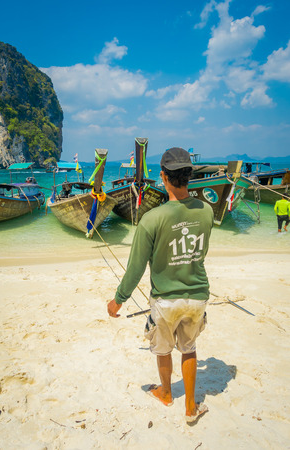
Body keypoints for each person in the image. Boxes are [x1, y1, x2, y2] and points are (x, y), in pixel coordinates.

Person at [107, 147, 214, 425]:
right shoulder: (206, 211)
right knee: (189, 348)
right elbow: (199, 253)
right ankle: (190, 407)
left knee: (163, 349)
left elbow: (136, 267)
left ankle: (166, 393)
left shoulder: (151, 218)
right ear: (189, 176)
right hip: (197, 296)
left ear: (164, 177)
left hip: (166, 300)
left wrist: (118, 300)